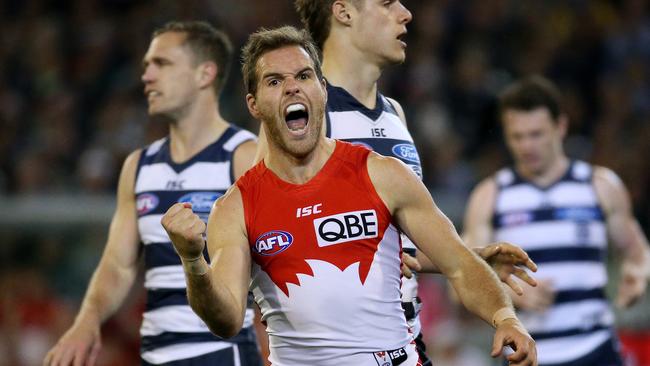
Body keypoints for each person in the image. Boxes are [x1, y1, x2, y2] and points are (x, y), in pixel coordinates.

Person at [161, 25, 537, 366]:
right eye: (274, 81)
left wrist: (505, 318)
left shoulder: (382, 174)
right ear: (254, 104)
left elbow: (457, 262)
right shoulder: (236, 206)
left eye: (304, 76)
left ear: (322, 90)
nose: (293, 87)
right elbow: (225, 319)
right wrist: (193, 260)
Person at [288, 1, 538, 363]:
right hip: (339, 348)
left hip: (404, 338)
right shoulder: (302, 113)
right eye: (388, 3)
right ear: (343, 12)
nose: (406, 13)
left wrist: (472, 259)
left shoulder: (394, 114)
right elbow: (278, 232)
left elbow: (391, 240)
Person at [43, 21, 263, 366]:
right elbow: (118, 263)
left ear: (204, 74)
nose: (147, 76)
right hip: (155, 355)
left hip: (222, 353)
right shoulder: (139, 166)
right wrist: (86, 321)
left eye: (162, 63)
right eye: (147, 65)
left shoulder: (244, 156)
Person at [463, 75, 650, 366]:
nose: (527, 146)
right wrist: (508, 296)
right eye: (517, 136)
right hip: (525, 354)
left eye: (536, 134)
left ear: (560, 127)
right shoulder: (490, 196)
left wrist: (638, 273)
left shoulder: (599, 186)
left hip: (595, 349)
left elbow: (637, 250)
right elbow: (461, 276)